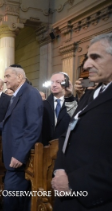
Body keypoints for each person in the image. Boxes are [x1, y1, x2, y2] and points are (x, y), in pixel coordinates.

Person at [52, 33, 112, 210]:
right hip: (65, 192)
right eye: (87, 58)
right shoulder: (91, 93)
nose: (86, 65)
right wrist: (60, 169)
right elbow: (68, 134)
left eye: (95, 57)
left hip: (95, 197)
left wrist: (73, 183)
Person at [0, 64, 43, 211]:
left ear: (19, 77)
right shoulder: (18, 94)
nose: (5, 80)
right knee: (15, 200)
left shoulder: (31, 94)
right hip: (11, 155)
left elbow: (33, 128)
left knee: (12, 200)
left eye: (7, 76)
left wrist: (19, 155)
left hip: (18, 158)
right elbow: (13, 123)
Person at [40, 73, 77, 146]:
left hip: (67, 146)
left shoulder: (74, 103)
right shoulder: (43, 104)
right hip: (46, 148)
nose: (54, 85)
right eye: (52, 82)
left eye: (58, 82)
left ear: (66, 83)